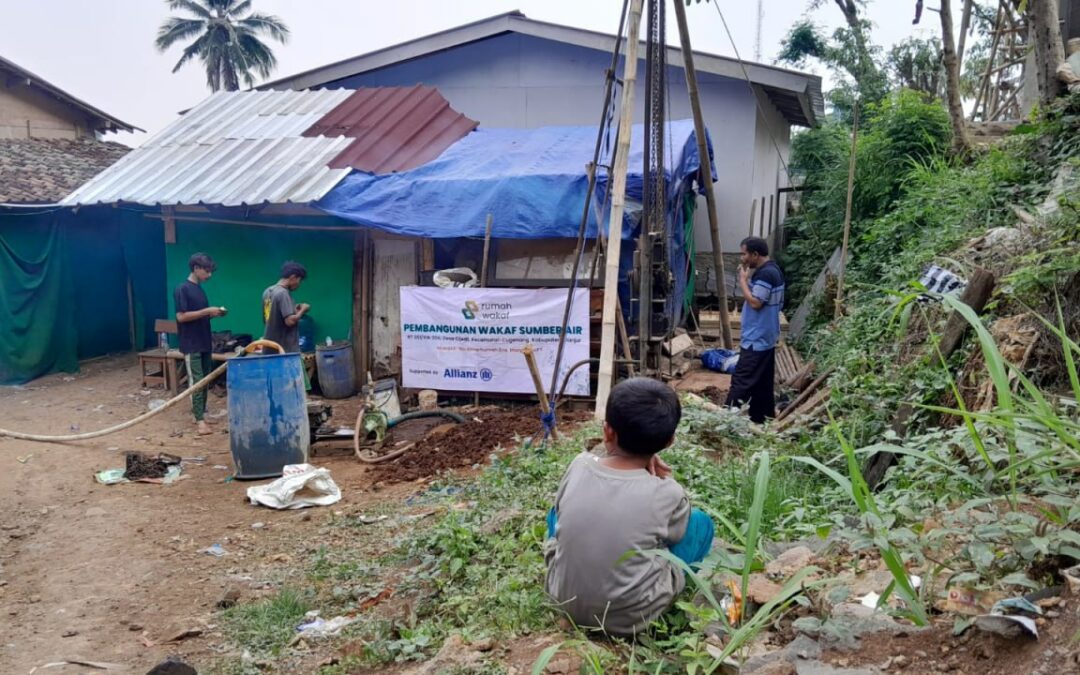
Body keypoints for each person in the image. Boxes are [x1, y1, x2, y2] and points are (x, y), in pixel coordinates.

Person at [544, 378, 715, 637]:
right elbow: (674, 537)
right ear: (669, 441)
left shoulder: (579, 464)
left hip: (563, 599)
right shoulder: (668, 491)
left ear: (607, 431)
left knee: (556, 513)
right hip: (634, 616)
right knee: (701, 523)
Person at [725, 236, 786, 423]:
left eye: (744, 254)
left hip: (756, 338)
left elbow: (756, 302)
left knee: (741, 380)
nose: (742, 258)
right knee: (762, 383)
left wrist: (743, 280)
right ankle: (762, 417)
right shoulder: (774, 270)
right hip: (766, 335)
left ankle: (726, 420)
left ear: (755, 254)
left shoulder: (765, 275)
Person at [174, 252, 227, 435]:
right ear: (196, 268)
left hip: (204, 341)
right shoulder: (182, 288)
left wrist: (212, 313)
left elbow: (198, 314)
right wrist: (206, 311)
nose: (209, 275)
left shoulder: (199, 289)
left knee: (205, 380)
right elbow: (181, 317)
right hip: (191, 343)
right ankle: (199, 421)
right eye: (207, 271)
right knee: (197, 381)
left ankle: (201, 413)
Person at [262, 261, 309, 354]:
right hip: (284, 349)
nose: (298, 285)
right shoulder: (283, 293)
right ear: (293, 277)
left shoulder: (268, 291)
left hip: (270, 347)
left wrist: (293, 309)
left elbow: (270, 318)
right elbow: (290, 321)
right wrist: (303, 309)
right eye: (299, 280)